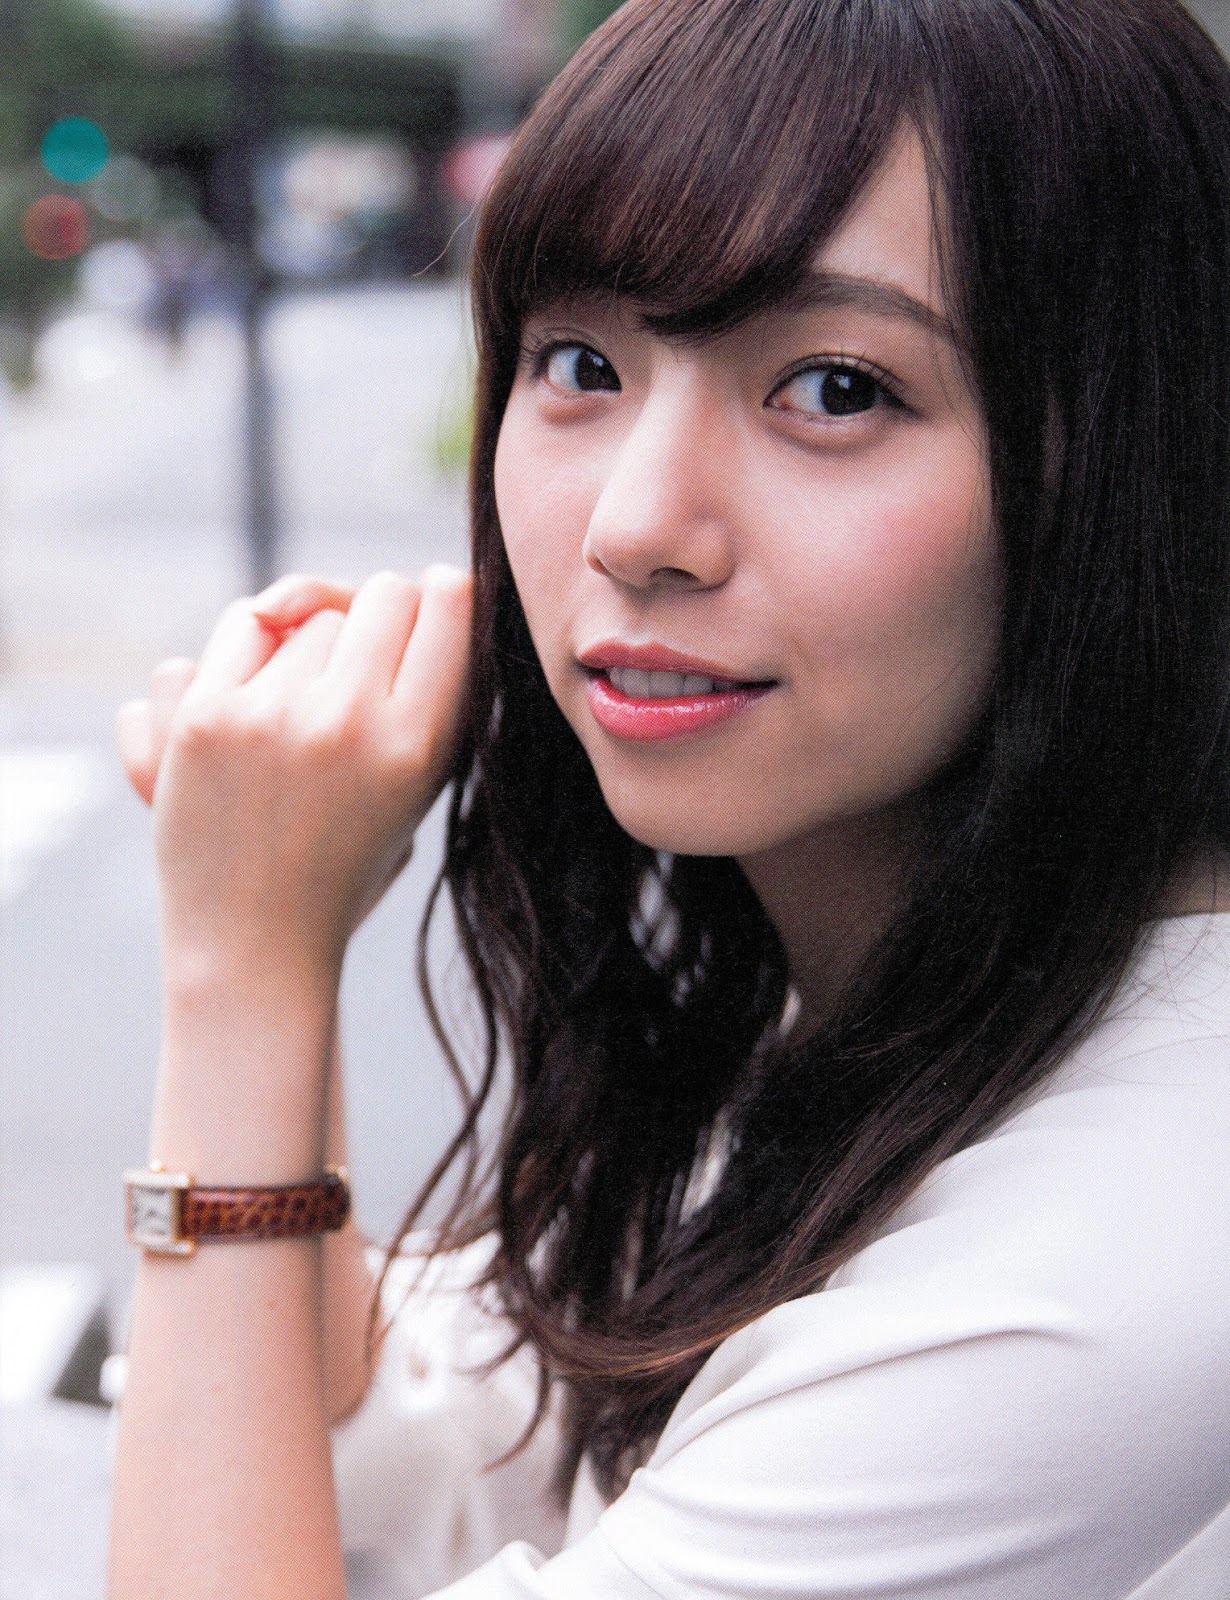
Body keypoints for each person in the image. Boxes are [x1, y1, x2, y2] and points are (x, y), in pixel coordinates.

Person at [106, 0, 1230, 1595]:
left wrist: (242, 969)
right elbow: (398, 1468)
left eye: (834, 389)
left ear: (1125, 462)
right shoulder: (897, 1004)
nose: (636, 525)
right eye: (580, 365)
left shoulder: (1113, 1258)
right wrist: (277, 919)